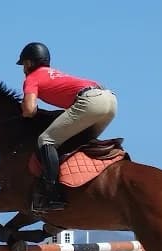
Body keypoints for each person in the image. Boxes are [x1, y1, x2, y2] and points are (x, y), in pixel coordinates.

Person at [17, 41, 118, 212]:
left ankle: (52, 194)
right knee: (80, 141)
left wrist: (26, 109)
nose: (23, 68)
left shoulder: (32, 78)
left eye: (24, 64)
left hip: (91, 102)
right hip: (110, 100)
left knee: (45, 140)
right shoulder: (54, 73)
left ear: (29, 63)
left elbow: (28, 110)